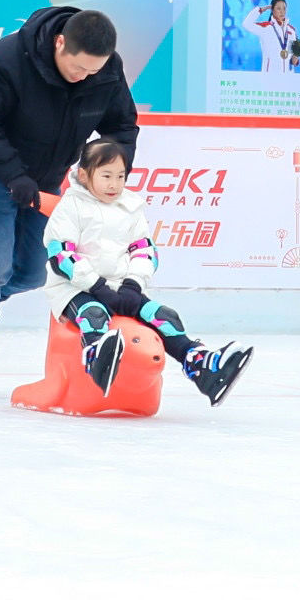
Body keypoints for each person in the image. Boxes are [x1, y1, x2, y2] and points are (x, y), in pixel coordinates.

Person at [0, 5, 138, 394]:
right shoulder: (10, 58)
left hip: (48, 180)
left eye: (93, 72)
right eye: (78, 68)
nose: (85, 77)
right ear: (60, 43)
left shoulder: (107, 70)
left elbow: (121, 126)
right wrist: (13, 174)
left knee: (32, 273)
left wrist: (107, 168)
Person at [43, 138, 250, 402]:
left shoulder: (131, 207)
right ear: (84, 175)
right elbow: (62, 256)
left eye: (120, 176)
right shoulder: (70, 207)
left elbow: (145, 250)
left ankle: (201, 366)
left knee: (163, 315)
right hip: (74, 289)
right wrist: (96, 286)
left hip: (120, 286)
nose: (114, 184)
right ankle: (97, 356)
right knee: (93, 313)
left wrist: (133, 284)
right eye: (106, 176)